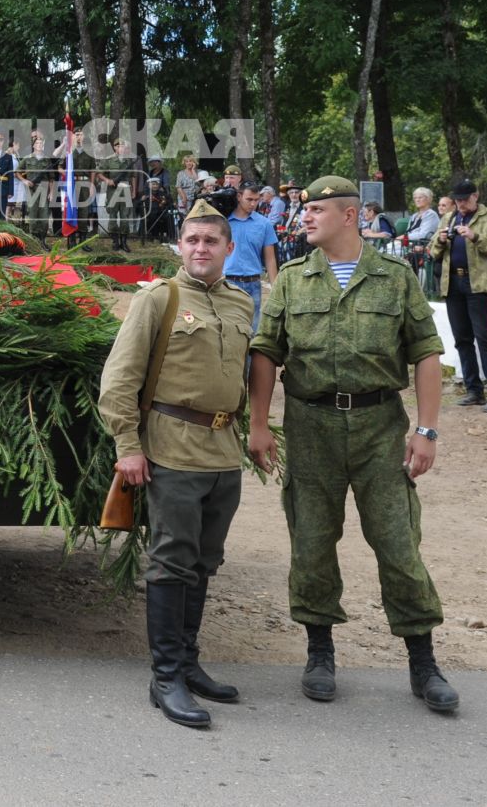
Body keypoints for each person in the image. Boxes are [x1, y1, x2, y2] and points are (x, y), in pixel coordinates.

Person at [247, 176, 456, 714]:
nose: (305, 217)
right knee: (312, 544)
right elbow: (266, 352)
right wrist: (259, 424)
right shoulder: (293, 280)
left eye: (315, 209)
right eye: (303, 209)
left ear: (348, 215)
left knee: (397, 543)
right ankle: (319, 652)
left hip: (380, 427)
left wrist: (427, 430)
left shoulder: (394, 275)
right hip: (310, 426)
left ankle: (423, 660)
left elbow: (426, 352)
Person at [98, 199, 255, 730]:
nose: (201, 249)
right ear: (180, 246)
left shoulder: (239, 303)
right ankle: (164, 676)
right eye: (192, 240)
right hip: (171, 449)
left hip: (223, 450)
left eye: (211, 241)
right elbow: (119, 379)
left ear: (229, 248)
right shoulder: (159, 299)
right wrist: (128, 446)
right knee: (171, 560)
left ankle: (187, 663)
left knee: (205, 560)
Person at [427, 180, 487, 411]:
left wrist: (475, 237)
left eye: (465, 199)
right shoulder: (449, 217)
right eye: (458, 199)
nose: (460, 203)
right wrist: (441, 240)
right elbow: (432, 250)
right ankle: (474, 390)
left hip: (479, 285)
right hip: (453, 282)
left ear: (476, 195)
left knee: (484, 339)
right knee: (462, 339)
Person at [222, 183, 279, 329]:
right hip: (227, 282)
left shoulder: (264, 224)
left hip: (252, 283)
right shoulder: (223, 222)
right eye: (249, 199)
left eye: (256, 199)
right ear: (239, 197)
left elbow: (270, 258)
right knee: (226, 328)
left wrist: (276, 288)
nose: (253, 204)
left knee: (251, 331)